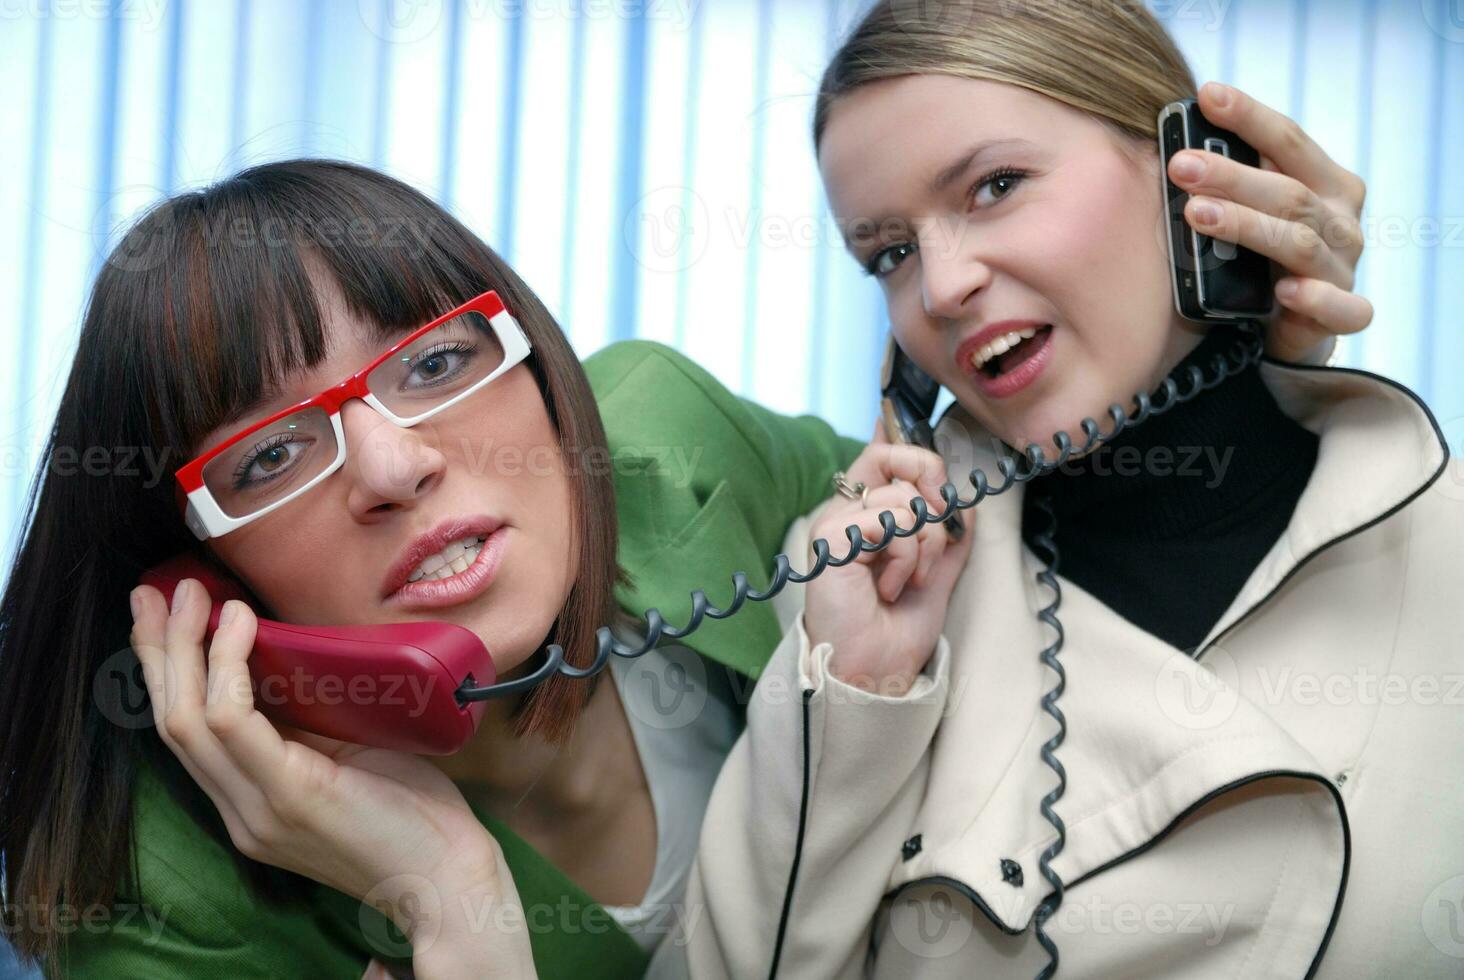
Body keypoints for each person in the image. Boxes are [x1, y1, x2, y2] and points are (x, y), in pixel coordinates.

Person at [680, 2, 1460, 977]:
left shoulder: (1445, 547)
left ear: (1194, 169)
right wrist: (854, 707)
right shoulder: (855, 584)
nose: (942, 286)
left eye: (995, 185)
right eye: (889, 251)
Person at [0, 159, 864, 978]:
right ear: (199, 579)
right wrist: (452, 904)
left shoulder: (675, 442)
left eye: (436, 363)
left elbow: (946, 500)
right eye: (270, 456)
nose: (391, 468)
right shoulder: (159, 898)